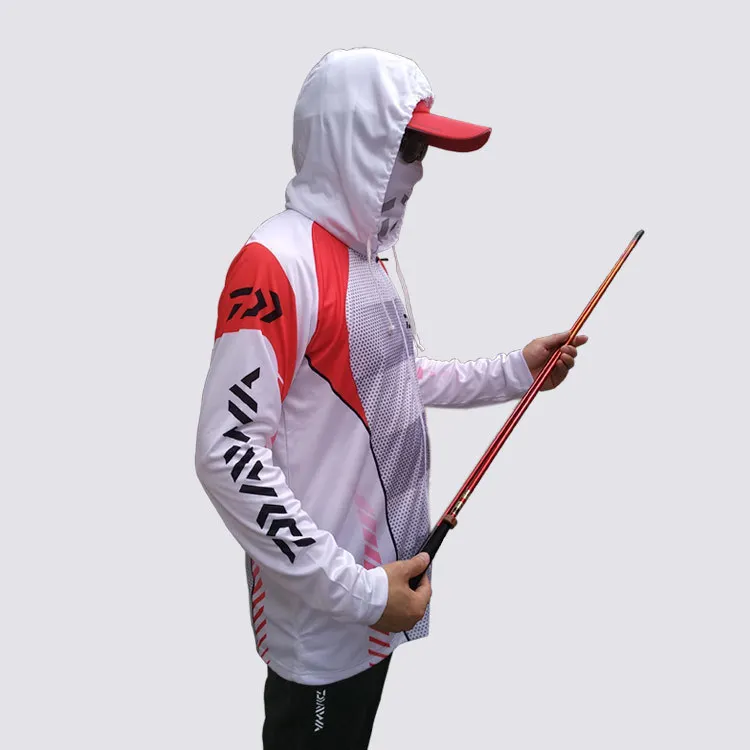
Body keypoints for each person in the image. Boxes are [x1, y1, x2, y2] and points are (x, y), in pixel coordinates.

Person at [194, 47, 587, 749]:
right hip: (325, 624)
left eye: (424, 151)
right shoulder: (274, 263)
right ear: (355, 141)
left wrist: (516, 370)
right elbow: (228, 455)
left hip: (383, 597)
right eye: (409, 147)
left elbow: (396, 379)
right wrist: (361, 592)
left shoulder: (367, 261)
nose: (420, 170)